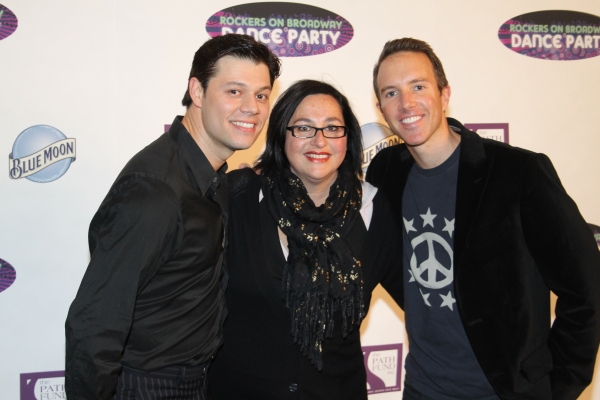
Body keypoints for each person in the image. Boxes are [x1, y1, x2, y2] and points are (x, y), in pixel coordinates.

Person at [366, 37, 600, 400]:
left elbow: (587, 288)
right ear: (380, 107)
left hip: (504, 391)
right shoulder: (385, 172)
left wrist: (556, 387)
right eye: (391, 93)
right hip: (422, 389)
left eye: (418, 86)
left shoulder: (518, 173)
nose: (406, 103)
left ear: (444, 94)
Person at [65, 34, 281, 400]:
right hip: (144, 386)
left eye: (261, 95)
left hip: (194, 381)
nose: (252, 108)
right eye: (234, 91)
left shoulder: (210, 178)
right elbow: (95, 323)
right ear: (197, 92)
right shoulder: (156, 191)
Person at [206, 80, 403, 399]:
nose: (319, 141)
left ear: (348, 138)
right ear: (281, 135)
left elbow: (426, 303)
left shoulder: (375, 210)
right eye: (303, 128)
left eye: (332, 128)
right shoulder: (238, 196)